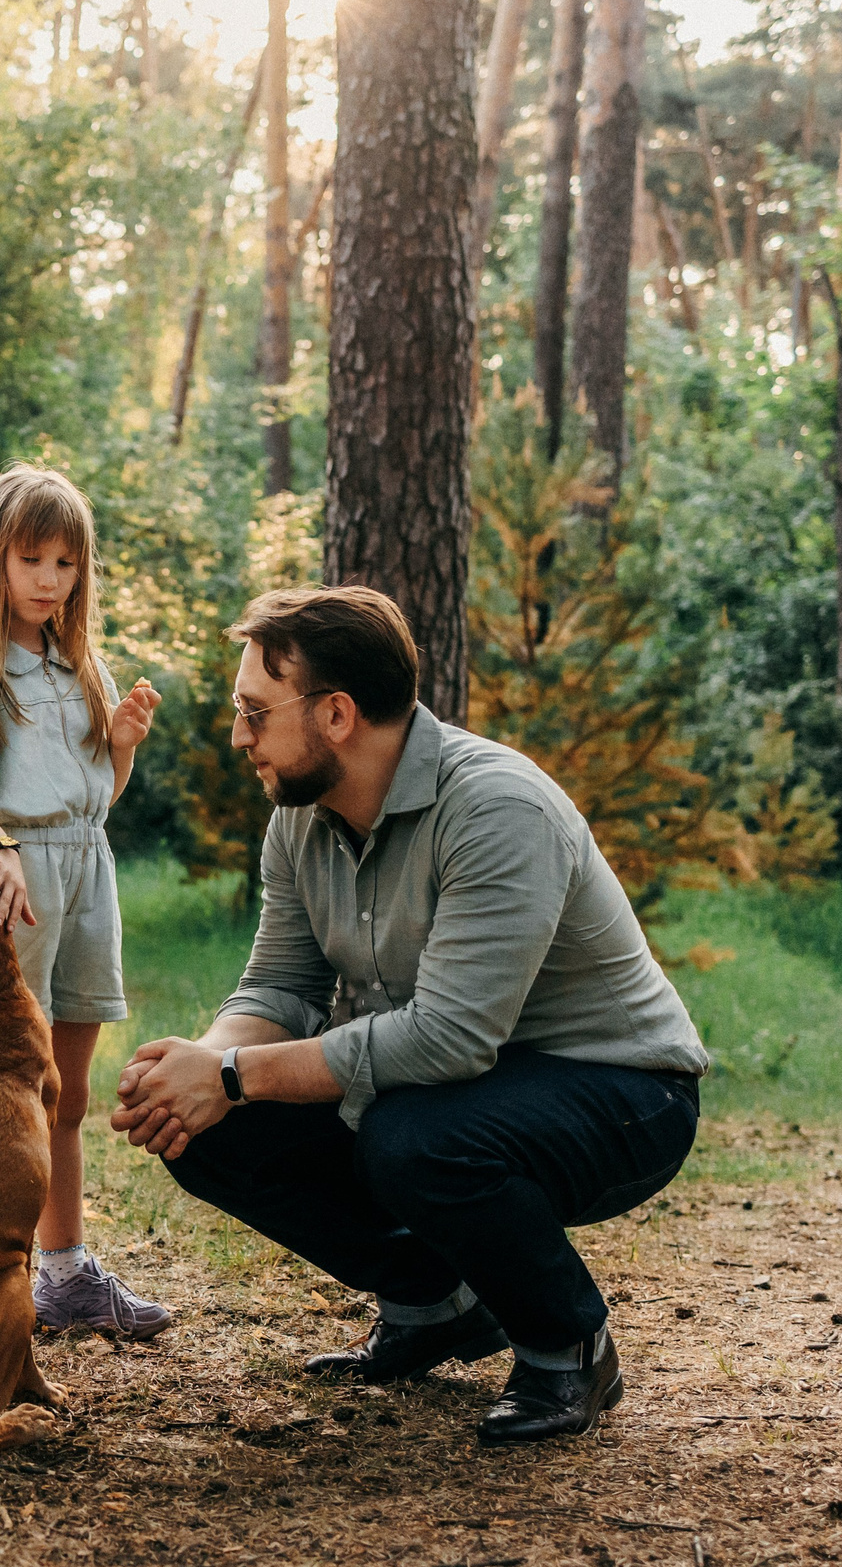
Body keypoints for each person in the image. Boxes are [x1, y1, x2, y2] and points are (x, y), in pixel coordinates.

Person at [110, 586, 708, 1443]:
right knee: (218, 1128)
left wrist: (235, 1077)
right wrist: (199, 1069)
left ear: (338, 714)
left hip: (623, 1092)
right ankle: (436, 1307)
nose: (240, 736)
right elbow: (280, 987)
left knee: (412, 1137)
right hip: (454, 1088)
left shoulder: (498, 808)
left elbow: (449, 1038)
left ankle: (568, 1346)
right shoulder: (302, 817)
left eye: (253, 712)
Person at [0, 464, 170, 1338]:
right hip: (16, 882)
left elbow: (96, 797)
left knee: (66, 1089)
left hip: (87, 874)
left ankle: (64, 1272)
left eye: (67, 563)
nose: (52, 580)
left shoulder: (77, 663)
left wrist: (121, 745)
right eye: (33, 560)